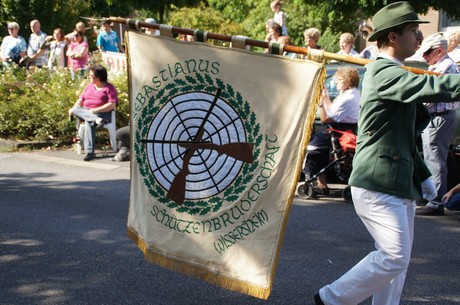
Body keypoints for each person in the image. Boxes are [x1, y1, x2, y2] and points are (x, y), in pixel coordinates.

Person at [313, 2, 460, 305]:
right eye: (412, 31)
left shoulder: (391, 71)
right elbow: (433, 85)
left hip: (395, 181)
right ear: (392, 37)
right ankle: (330, 299)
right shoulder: (382, 71)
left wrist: (423, 178)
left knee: (398, 261)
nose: (420, 37)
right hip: (376, 182)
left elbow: (404, 138)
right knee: (393, 257)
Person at [416, 33, 459, 216]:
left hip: (439, 116)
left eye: (427, 52)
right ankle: (433, 196)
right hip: (440, 116)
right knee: (433, 156)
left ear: (439, 51)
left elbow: (429, 94)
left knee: (434, 157)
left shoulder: (444, 66)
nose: (424, 57)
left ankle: (435, 201)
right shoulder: (443, 65)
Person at [304, 67, 360, 194]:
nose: (336, 82)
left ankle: (321, 183)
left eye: (339, 80)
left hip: (339, 132)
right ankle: (321, 183)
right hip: (340, 129)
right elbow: (333, 109)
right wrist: (326, 97)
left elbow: (325, 119)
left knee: (314, 146)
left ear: (348, 80)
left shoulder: (349, 97)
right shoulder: (350, 93)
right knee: (319, 142)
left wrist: (321, 104)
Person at [69, 65, 118, 161]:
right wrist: (73, 108)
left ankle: (89, 152)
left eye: (91, 75)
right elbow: (81, 99)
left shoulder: (109, 88)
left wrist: (95, 111)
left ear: (99, 77)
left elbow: (112, 105)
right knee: (75, 109)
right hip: (88, 113)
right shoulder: (89, 86)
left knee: (89, 122)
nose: (89, 77)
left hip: (102, 113)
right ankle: (95, 120)